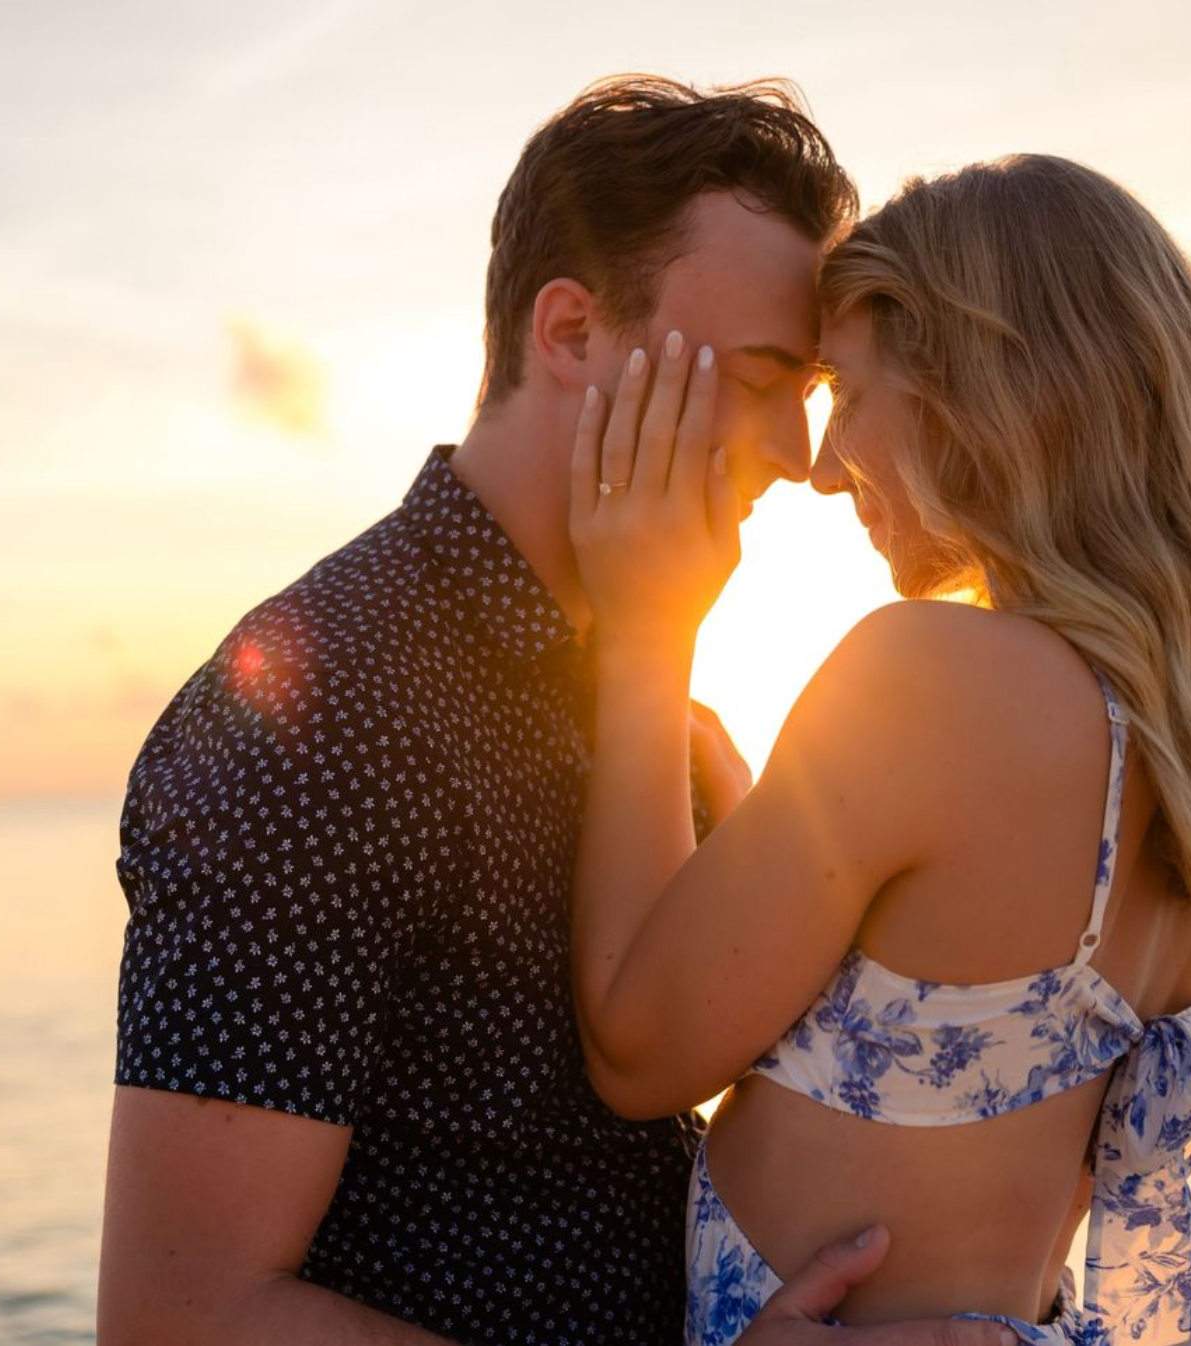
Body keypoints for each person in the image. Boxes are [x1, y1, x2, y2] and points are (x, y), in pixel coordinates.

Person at [97, 76, 1024, 1346]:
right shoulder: (324, 709)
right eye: (762, 378)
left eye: (812, 391)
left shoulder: (645, 695)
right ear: (574, 333)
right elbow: (180, 1317)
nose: (800, 459)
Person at [565, 154, 1191, 1345]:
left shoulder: (934, 678)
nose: (826, 467)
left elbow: (636, 1048)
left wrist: (644, 634)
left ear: (985, 398)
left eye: (848, 390)